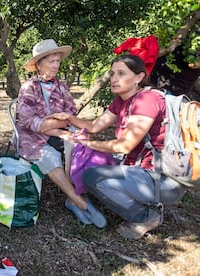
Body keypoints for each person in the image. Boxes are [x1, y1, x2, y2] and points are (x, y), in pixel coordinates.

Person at [53, 55, 187, 239]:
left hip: (163, 180)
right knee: (96, 166)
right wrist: (68, 117)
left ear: (139, 77)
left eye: (121, 73)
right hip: (141, 173)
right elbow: (94, 126)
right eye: (112, 73)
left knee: (93, 176)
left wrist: (90, 144)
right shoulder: (121, 101)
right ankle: (138, 202)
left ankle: (146, 216)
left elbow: (124, 145)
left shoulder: (147, 100)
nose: (114, 78)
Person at [16, 39, 107, 228]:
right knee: (49, 156)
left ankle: (75, 196)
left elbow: (71, 114)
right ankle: (78, 201)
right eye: (51, 61)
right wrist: (59, 130)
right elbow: (29, 122)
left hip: (57, 131)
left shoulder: (62, 86)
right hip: (33, 136)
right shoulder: (28, 88)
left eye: (58, 61)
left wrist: (61, 127)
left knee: (77, 143)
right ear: (39, 65)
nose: (56, 65)